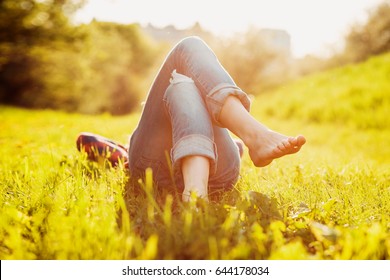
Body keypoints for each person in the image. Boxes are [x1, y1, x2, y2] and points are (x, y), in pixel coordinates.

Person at [77, 36, 306, 202]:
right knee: (183, 83)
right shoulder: (124, 153)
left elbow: (85, 139)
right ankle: (252, 137)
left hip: (161, 170)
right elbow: (85, 140)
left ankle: (199, 188)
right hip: (219, 174)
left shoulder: (131, 149)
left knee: (182, 80)